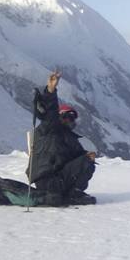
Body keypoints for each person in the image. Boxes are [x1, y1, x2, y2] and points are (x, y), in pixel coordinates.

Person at [26, 71, 97, 205]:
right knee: (85, 161)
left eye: (72, 117)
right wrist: (51, 91)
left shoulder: (70, 137)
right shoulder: (50, 128)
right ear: (59, 116)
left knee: (87, 160)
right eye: (66, 116)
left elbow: (78, 156)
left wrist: (88, 156)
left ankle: (73, 192)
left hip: (59, 179)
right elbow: (50, 113)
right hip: (47, 180)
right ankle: (71, 193)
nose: (69, 120)